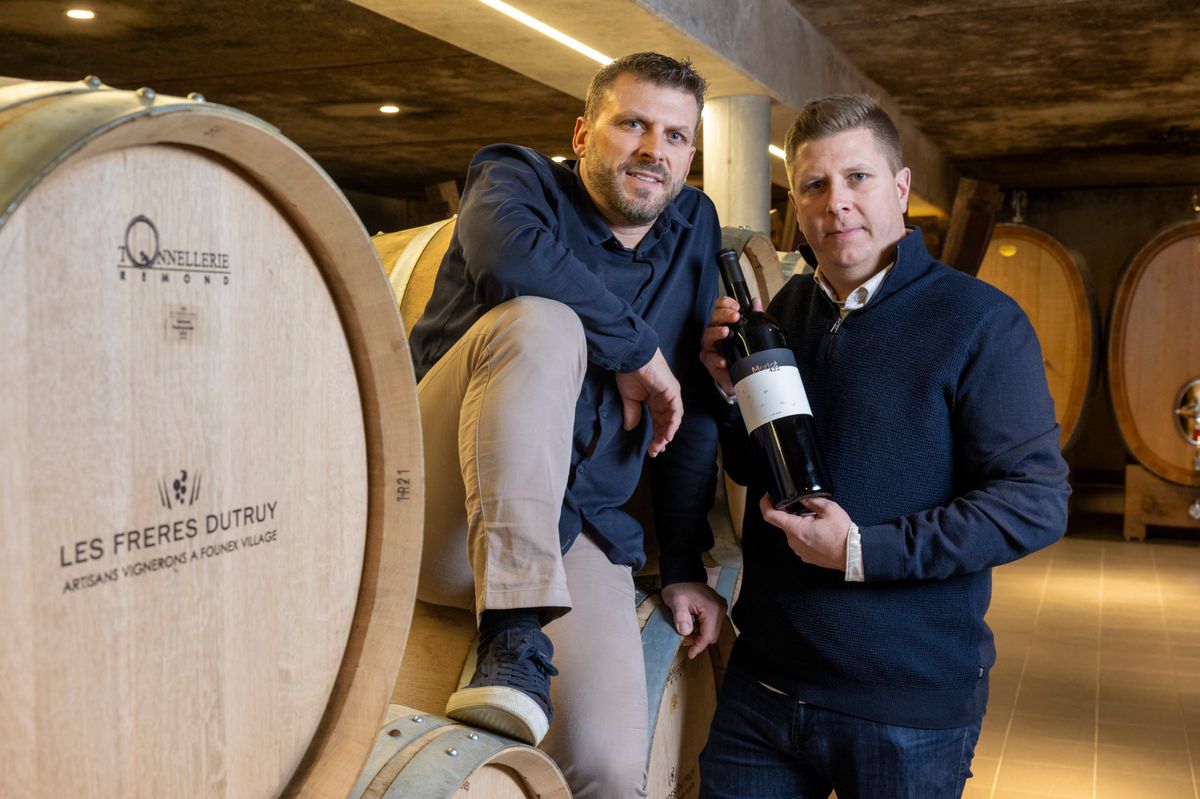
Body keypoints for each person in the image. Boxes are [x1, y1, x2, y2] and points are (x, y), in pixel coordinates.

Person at [697, 95, 1071, 798]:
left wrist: (862, 550)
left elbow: (1035, 504)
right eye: (814, 184)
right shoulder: (785, 315)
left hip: (906, 708)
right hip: (765, 686)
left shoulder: (979, 321)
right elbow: (758, 467)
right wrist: (726, 392)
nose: (837, 202)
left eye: (858, 178)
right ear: (797, 206)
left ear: (899, 188)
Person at [407, 52, 728, 798]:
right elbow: (508, 257)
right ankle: (514, 631)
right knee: (543, 323)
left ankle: (526, 623)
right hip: (436, 505)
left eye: (677, 137)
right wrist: (636, 347)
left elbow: (689, 409)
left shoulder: (693, 226)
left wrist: (680, 561)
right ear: (583, 133)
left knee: (612, 768)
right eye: (634, 125)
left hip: (579, 523)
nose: (655, 150)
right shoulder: (515, 178)